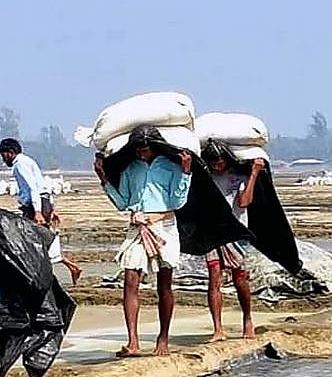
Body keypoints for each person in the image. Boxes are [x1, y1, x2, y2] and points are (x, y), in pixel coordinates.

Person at [94, 126, 192, 357]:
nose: (142, 154)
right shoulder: (131, 169)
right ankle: (133, 342)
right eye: (139, 150)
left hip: (164, 226)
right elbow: (122, 202)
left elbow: (178, 201)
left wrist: (186, 172)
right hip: (137, 227)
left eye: (146, 150)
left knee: (164, 284)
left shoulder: (171, 167)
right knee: (130, 280)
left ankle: (163, 338)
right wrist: (104, 179)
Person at [201, 143, 265, 342]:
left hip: (236, 232)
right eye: (214, 163)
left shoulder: (238, 177)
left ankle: (247, 319)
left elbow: (244, 202)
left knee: (240, 279)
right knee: (214, 278)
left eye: (220, 162)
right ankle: (218, 328)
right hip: (212, 233)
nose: (217, 166)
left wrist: (254, 173)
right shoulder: (206, 178)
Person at [0, 138, 82, 284]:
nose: (4, 160)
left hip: (35, 206)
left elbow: (33, 188)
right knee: (43, 239)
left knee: (33, 242)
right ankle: (69, 267)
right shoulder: (28, 161)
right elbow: (41, 185)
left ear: (10, 153)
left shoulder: (19, 165)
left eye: (4, 156)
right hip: (43, 202)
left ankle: (38, 278)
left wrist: (37, 211)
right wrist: (50, 208)